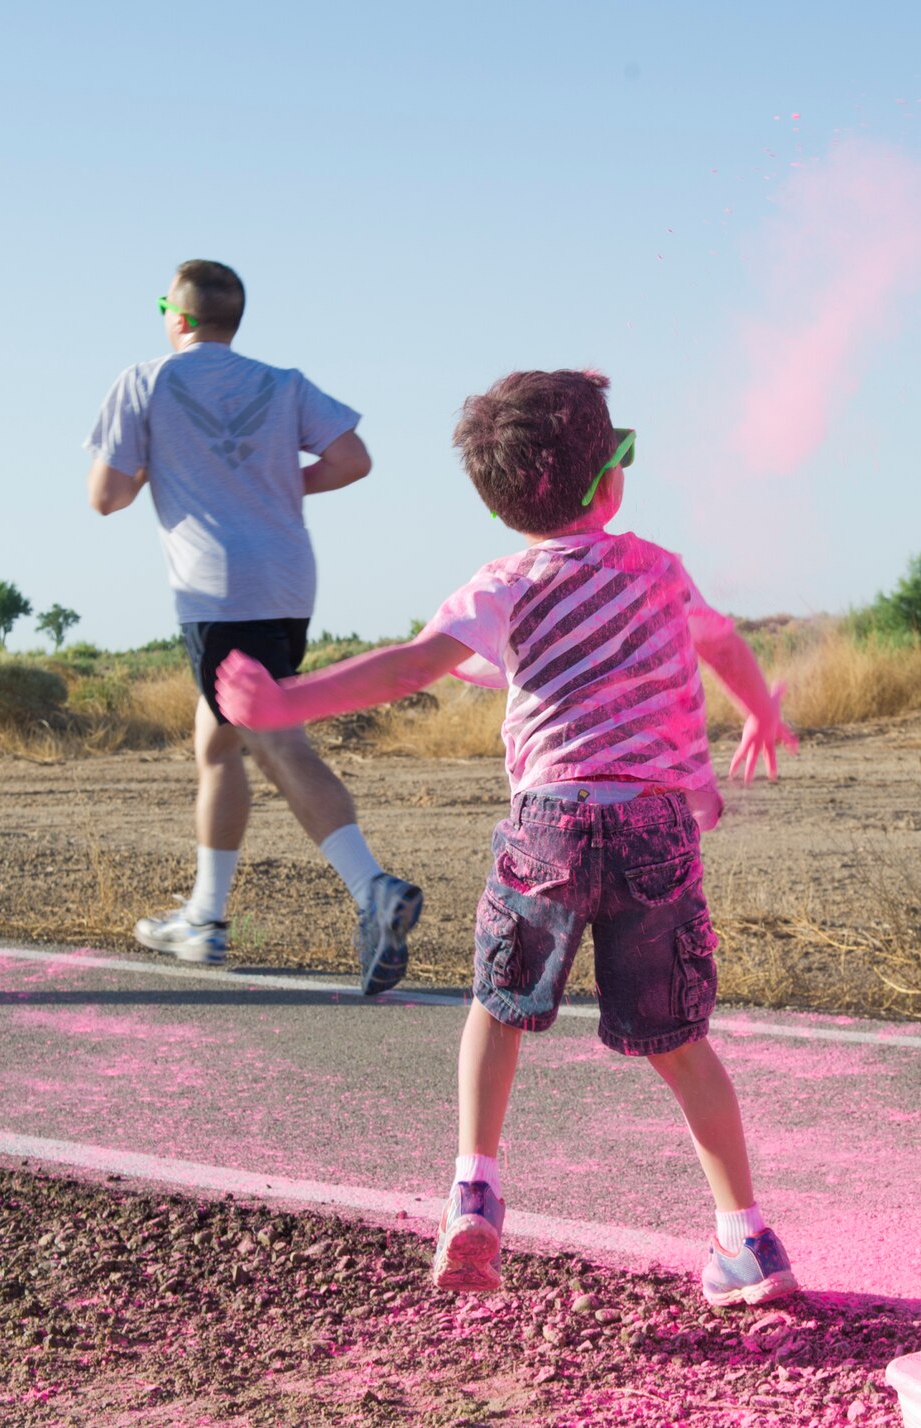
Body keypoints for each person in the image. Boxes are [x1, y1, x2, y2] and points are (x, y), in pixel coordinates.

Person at [217, 369, 803, 1305]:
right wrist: (761, 713)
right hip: (654, 827)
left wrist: (288, 700)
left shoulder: (503, 585)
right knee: (680, 1043)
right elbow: (721, 645)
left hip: (551, 824)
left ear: (498, 504)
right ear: (611, 480)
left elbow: (407, 668)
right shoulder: (656, 570)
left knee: (497, 1011)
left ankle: (476, 1192)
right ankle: (748, 1242)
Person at [84, 259, 422, 993]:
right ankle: (204, 918)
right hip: (286, 581)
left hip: (217, 589)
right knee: (218, 740)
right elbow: (352, 459)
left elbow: (105, 495)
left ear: (175, 315)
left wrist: (169, 471)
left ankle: (373, 889)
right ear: (232, 319)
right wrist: (271, 482)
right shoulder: (282, 382)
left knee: (273, 740)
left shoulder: (145, 382)